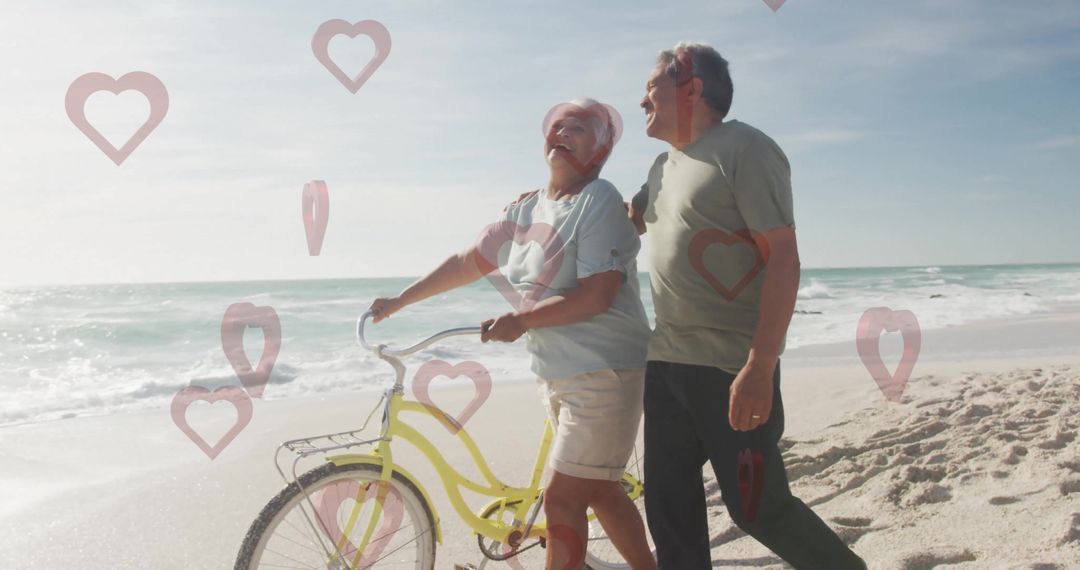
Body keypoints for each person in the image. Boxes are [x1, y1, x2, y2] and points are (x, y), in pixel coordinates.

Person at [369, 98, 656, 570]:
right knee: (600, 488)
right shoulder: (526, 209)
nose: (563, 132)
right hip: (558, 373)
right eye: (558, 125)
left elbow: (597, 295)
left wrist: (521, 321)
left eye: (580, 128)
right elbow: (468, 261)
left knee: (562, 499)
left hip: (605, 374)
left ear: (601, 151)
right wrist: (400, 301)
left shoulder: (598, 199)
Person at [628, 43, 868, 569]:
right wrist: (553, 199)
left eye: (651, 86)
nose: (641, 98)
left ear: (691, 89)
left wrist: (760, 365)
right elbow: (629, 217)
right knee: (668, 506)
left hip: (730, 367)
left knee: (758, 506)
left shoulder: (744, 147)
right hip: (667, 363)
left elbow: (783, 256)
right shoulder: (660, 167)